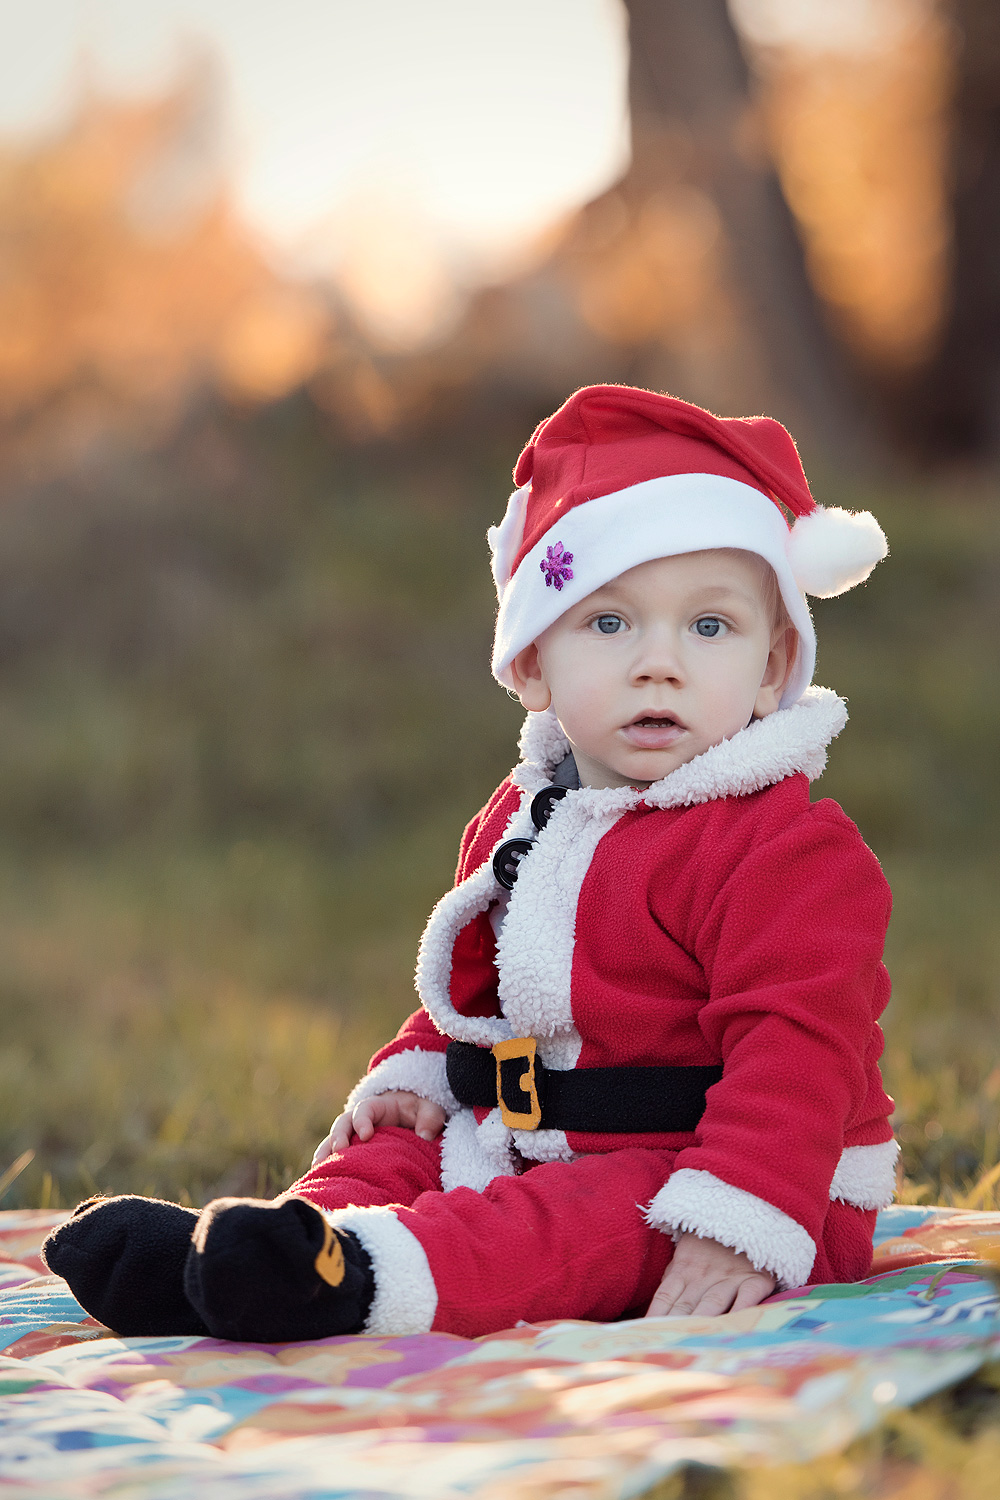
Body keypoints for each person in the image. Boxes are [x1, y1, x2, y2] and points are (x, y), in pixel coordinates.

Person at [42, 384, 897, 1344]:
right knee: (399, 1146)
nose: (660, 663)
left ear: (777, 667)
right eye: (609, 624)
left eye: (710, 626)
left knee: (581, 1220)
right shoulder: (524, 817)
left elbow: (802, 1050)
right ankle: (250, 1257)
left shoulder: (785, 849)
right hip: (533, 1135)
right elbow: (475, 992)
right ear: (532, 663)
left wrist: (741, 1213)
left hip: (737, 1175)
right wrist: (418, 1074)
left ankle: (355, 1283)